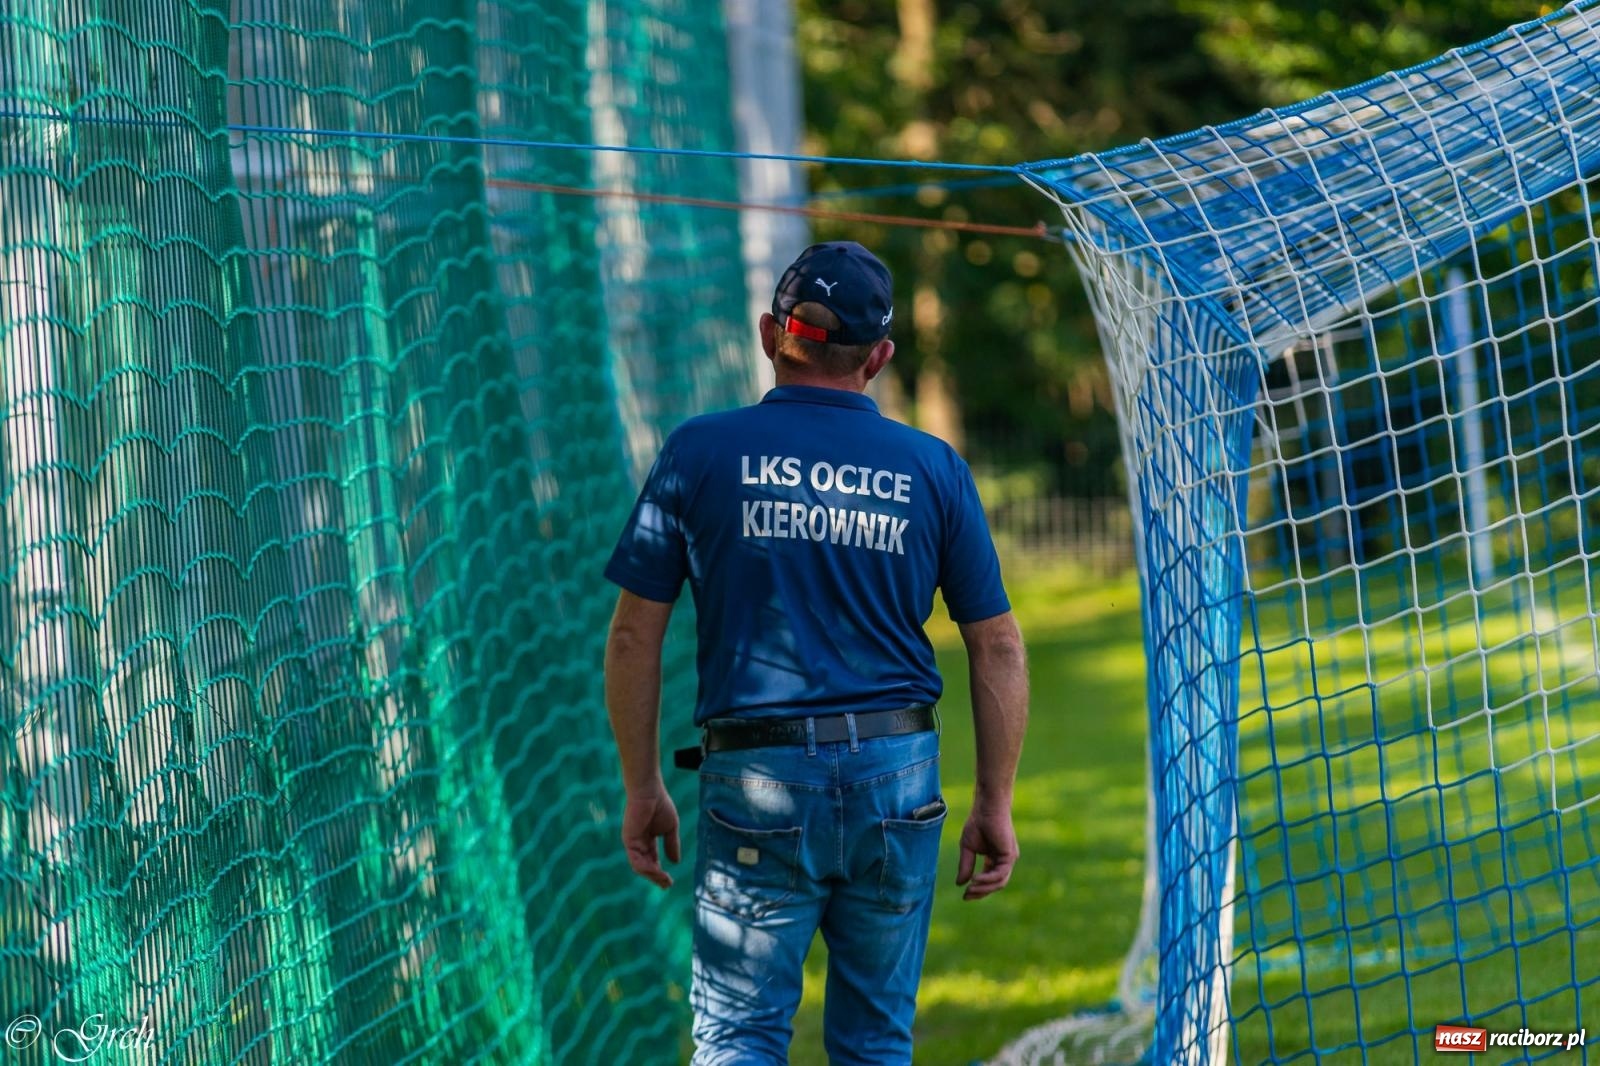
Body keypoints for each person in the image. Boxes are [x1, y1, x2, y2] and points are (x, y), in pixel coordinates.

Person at [602, 241, 1029, 1065]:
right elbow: (998, 644)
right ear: (879, 357)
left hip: (753, 782)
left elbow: (631, 634)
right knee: (874, 1041)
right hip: (896, 780)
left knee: (738, 1039)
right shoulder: (933, 468)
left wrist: (642, 785)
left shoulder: (697, 452)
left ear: (770, 335)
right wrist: (993, 800)